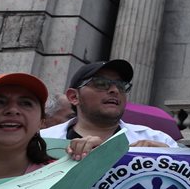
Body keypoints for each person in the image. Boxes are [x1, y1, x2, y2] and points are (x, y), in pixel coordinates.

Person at [41, 60, 175, 147]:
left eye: (121, 85)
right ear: (74, 97)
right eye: (101, 84)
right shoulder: (42, 142)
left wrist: (171, 160)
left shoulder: (159, 141)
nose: (115, 90)